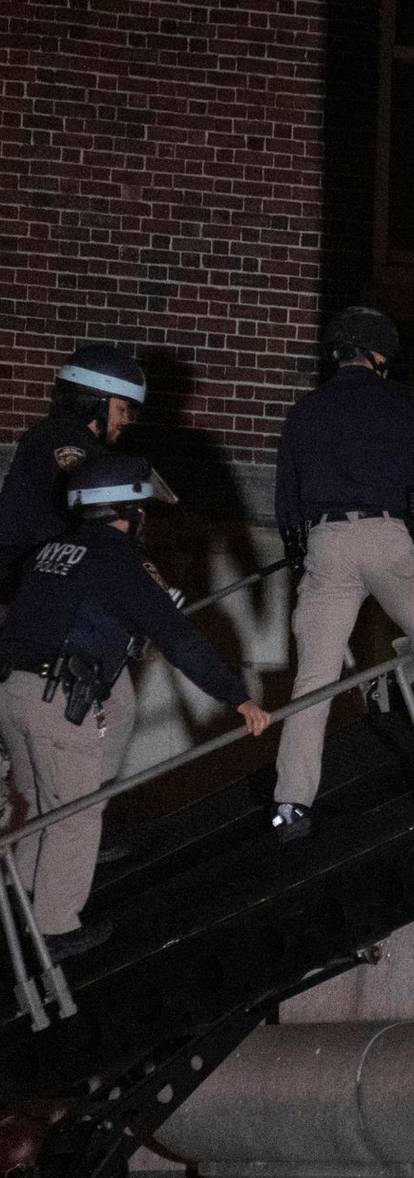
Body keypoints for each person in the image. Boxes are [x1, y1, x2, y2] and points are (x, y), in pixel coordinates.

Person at [0, 453, 270, 962]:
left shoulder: (51, 551)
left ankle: (20, 898)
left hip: (13, 693)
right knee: (76, 814)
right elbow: (178, 638)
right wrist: (236, 697)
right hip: (58, 699)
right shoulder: (117, 558)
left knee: (38, 801)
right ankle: (55, 931)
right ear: (127, 508)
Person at [271, 307, 414, 843]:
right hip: (386, 535)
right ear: (380, 357)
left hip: (325, 542)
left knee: (314, 677)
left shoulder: (305, 412)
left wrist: (297, 556)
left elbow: (286, 493)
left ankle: (289, 804)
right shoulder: (403, 404)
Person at [0, 343, 146, 614]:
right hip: (21, 582)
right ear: (96, 402)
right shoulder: (65, 442)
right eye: (122, 408)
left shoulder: (59, 436)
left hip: (30, 576)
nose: (126, 420)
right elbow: (92, 514)